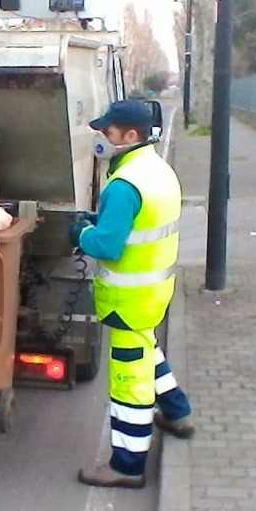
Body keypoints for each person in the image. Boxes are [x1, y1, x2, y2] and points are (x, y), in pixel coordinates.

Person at [69, 99, 195, 490]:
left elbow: (107, 245)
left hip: (128, 299)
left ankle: (126, 464)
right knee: (147, 349)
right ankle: (177, 412)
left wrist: (79, 233)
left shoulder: (124, 184)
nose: (102, 138)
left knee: (129, 381)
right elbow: (136, 223)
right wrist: (101, 221)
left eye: (107, 132)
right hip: (154, 291)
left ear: (130, 135)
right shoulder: (157, 170)